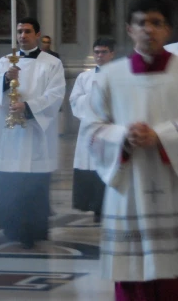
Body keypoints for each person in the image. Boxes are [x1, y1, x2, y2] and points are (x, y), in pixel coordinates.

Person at [83, 0, 178, 300]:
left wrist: (161, 136)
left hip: (177, 186)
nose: (148, 29)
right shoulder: (110, 76)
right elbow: (91, 131)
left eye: (156, 23)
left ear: (169, 30)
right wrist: (123, 136)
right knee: (135, 276)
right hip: (130, 185)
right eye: (141, 23)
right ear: (129, 28)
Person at [0, 17, 65, 249]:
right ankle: (11, 226)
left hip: (35, 132)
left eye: (27, 31)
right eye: (19, 32)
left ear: (37, 34)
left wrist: (27, 107)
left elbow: (56, 94)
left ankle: (32, 231)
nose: (22, 36)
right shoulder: (6, 61)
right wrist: (5, 80)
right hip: (9, 134)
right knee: (10, 179)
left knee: (32, 180)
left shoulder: (52, 63)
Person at [70, 37, 116, 222]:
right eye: (96, 52)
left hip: (111, 128)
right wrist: (93, 97)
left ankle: (110, 206)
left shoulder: (119, 75)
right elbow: (75, 101)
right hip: (89, 129)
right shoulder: (84, 77)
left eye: (104, 52)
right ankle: (93, 206)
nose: (99, 55)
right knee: (90, 166)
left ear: (112, 53)